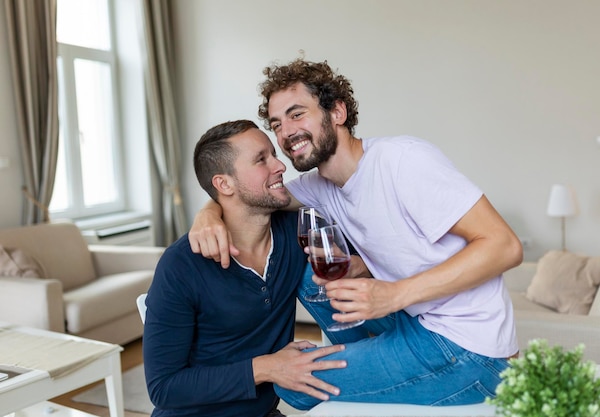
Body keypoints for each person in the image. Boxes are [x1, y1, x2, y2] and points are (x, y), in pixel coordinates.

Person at [188, 59, 524, 410]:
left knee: (295, 386)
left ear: (337, 111)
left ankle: (371, 374)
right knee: (309, 272)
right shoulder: (320, 186)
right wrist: (208, 212)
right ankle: (367, 364)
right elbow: (257, 196)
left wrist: (393, 295)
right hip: (414, 322)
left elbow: (504, 246)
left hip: (469, 349)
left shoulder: (403, 161)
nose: (286, 133)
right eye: (277, 124)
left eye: (297, 114)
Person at [142, 119, 349, 417]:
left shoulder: (296, 232)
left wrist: (209, 209)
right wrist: (268, 368)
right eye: (261, 160)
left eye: (273, 154)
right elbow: (164, 387)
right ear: (224, 184)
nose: (280, 166)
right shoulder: (181, 264)